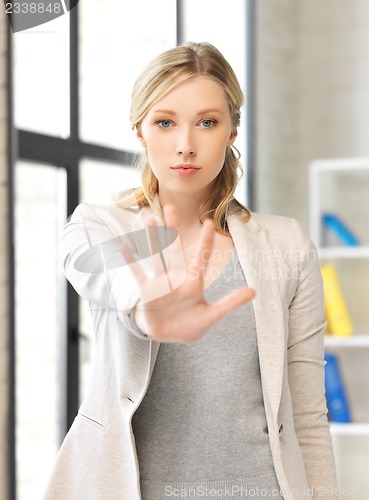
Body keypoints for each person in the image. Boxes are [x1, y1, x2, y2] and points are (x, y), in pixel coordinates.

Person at [44, 42, 337, 500]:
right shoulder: (101, 225)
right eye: (164, 122)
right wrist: (147, 310)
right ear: (140, 130)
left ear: (232, 130)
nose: (185, 145)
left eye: (207, 122)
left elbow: (307, 414)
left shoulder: (286, 245)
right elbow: (98, 274)